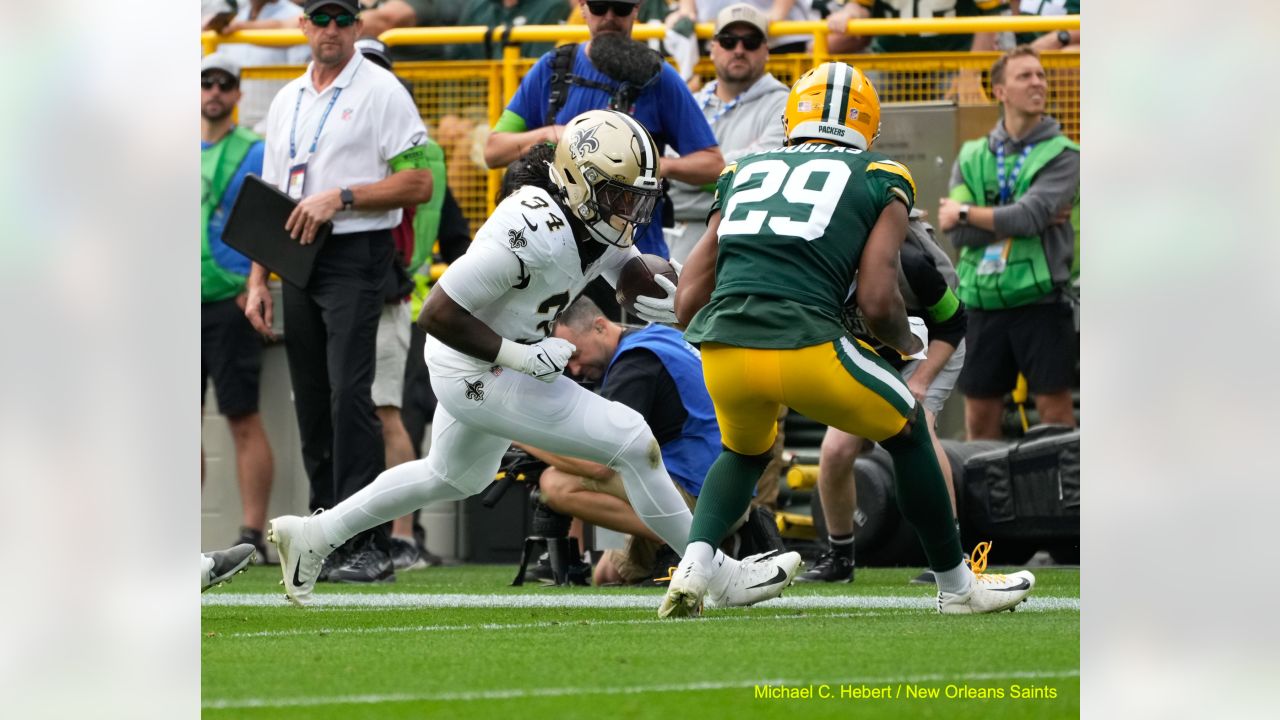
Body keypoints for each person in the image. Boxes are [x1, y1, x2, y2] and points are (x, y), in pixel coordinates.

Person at [267, 109, 799, 608]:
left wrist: (670, 297)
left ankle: (314, 535)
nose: (629, 210)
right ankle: (713, 573)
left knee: (451, 476)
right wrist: (520, 357)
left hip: (492, 358)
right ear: (580, 182)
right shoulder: (527, 230)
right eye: (619, 195)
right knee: (634, 441)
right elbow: (438, 311)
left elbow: (629, 272)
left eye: (637, 197)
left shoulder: (594, 218)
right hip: (477, 362)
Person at [665, 61, 1035, 617]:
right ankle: (958, 587)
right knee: (908, 431)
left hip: (724, 348)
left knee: (744, 451)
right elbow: (879, 300)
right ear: (869, 124)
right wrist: (902, 346)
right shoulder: (881, 175)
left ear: (793, 117)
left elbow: (690, 293)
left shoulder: (743, 170)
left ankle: (694, 566)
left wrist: (718, 337)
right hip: (808, 344)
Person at [244, 0, 435, 583]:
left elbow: (420, 182)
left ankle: (366, 541)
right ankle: (324, 531)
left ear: (358, 26)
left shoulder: (380, 89)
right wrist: (258, 280)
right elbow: (274, 197)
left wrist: (342, 197)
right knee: (312, 396)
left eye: (342, 19)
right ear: (302, 25)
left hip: (356, 252)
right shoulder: (286, 98)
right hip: (297, 254)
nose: (331, 29)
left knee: (351, 394)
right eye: (320, 18)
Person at [798, 209, 968, 584]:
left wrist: (921, 380)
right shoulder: (818, 271)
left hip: (929, 350)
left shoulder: (910, 265)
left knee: (920, 426)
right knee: (836, 450)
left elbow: (954, 325)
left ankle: (954, 552)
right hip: (873, 354)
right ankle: (840, 556)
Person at [483, 0, 724, 259]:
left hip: (633, 255)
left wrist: (648, 165)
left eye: (620, 8)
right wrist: (550, 134)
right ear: (583, 8)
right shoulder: (553, 68)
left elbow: (712, 166)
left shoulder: (659, 77)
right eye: (599, 6)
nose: (609, 17)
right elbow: (494, 151)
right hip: (555, 253)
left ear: (636, 10)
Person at [521, 295, 721, 586]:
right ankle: (688, 542)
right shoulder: (656, 335)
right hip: (719, 490)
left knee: (554, 482)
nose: (574, 370)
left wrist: (520, 434)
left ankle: (691, 542)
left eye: (574, 356)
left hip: (698, 496)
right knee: (607, 575)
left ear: (600, 327)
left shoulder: (634, 364)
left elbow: (598, 465)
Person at [936, 46, 1079, 441]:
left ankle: (1063, 502)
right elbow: (959, 234)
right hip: (983, 302)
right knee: (980, 419)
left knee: (1054, 416)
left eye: (1041, 75)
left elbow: (1027, 218)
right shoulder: (972, 154)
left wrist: (967, 212)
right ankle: (987, 503)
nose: (1038, 83)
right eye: (1025, 76)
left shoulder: (1064, 154)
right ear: (1000, 92)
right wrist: (1017, 217)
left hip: (1042, 302)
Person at [201, 52, 275, 562]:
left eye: (224, 84)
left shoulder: (254, 149)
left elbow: (263, 219)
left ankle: (251, 532)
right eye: (205, 82)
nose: (214, 92)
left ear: (238, 93)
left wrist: (250, 286)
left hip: (228, 299)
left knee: (242, 417)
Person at [665, 3, 789, 264]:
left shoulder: (784, 104)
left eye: (751, 42)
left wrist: (680, 169)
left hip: (744, 239)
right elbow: (664, 162)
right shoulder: (692, 100)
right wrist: (706, 171)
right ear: (712, 48)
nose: (739, 50)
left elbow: (758, 174)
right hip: (676, 234)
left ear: (767, 50)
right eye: (728, 40)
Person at [213, 0, 313, 133]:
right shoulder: (234, 19)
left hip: (276, 127)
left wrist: (240, 27)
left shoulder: (299, 17)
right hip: (233, 128)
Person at [448, 0, 573, 60]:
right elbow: (455, 57)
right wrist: (452, 109)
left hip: (522, 100)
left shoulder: (553, 6)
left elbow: (540, 65)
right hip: (476, 95)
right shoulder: (478, 6)